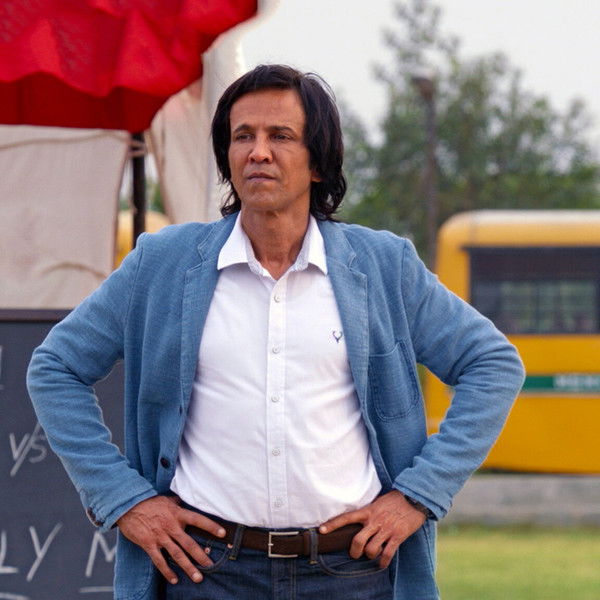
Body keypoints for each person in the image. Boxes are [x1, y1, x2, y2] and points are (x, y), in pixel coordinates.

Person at [27, 64, 524, 600]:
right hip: (206, 574)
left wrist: (418, 495)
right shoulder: (163, 264)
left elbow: (493, 365)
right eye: (243, 136)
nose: (258, 152)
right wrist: (123, 499)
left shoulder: (383, 267)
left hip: (353, 574)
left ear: (319, 162)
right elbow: (55, 368)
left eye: (280, 136)